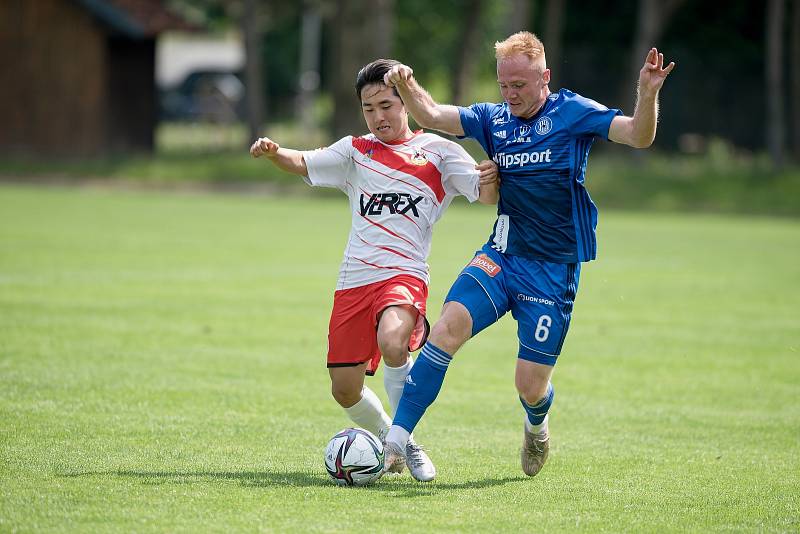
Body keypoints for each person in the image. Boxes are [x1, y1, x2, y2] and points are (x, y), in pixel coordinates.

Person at [380, 32, 675, 478]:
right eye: (504, 84)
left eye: (520, 84)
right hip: (501, 255)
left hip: (552, 270)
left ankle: (536, 425)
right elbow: (432, 114)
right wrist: (405, 83)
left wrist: (647, 93)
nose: (510, 93)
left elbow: (637, 135)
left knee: (530, 385)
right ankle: (396, 443)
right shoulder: (492, 118)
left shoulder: (572, 112)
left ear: (545, 78)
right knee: (447, 327)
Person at [249, 58, 499, 482]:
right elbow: (304, 162)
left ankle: (405, 442)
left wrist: (490, 177)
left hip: (404, 275)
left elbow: (485, 195)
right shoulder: (355, 152)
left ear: (407, 103)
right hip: (354, 281)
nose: (379, 116)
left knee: (393, 341)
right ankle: (388, 434)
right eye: (369, 108)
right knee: (344, 389)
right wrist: (274, 153)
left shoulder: (438, 153)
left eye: (387, 104)